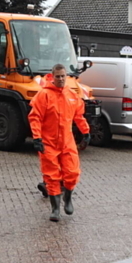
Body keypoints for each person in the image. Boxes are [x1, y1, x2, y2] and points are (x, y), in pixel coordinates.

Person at [28, 63, 90, 222]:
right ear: (52, 77)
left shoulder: (72, 95)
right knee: (51, 175)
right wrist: (37, 138)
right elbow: (35, 117)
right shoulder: (44, 95)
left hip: (67, 142)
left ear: (66, 76)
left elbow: (79, 116)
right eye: (58, 76)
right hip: (48, 143)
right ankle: (55, 209)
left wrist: (85, 131)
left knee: (72, 172)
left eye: (63, 76)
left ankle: (67, 198)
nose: (61, 79)